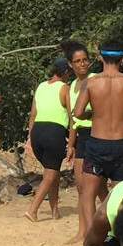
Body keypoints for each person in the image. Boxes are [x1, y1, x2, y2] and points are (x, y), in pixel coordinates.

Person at [73, 39, 123, 236]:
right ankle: (118, 234)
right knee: (121, 195)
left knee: (88, 194)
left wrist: (93, 114)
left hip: (96, 144)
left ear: (100, 58)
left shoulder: (91, 83)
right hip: (121, 145)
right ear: (122, 60)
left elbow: (78, 112)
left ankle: (91, 236)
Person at [63, 40, 106, 242]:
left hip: (97, 134)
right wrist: (71, 144)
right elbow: (73, 119)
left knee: (98, 187)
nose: (82, 64)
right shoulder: (72, 85)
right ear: (70, 64)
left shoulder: (95, 79)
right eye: (78, 61)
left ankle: (105, 228)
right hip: (81, 137)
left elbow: (105, 108)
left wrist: (88, 113)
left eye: (85, 60)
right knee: (81, 187)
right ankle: (83, 231)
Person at [24, 57, 71, 222]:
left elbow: (33, 115)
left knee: (52, 171)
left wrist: (30, 138)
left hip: (37, 131)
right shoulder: (65, 88)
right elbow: (71, 116)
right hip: (54, 132)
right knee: (50, 175)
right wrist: (73, 140)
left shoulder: (41, 86)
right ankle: (32, 210)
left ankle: (54, 210)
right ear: (65, 72)